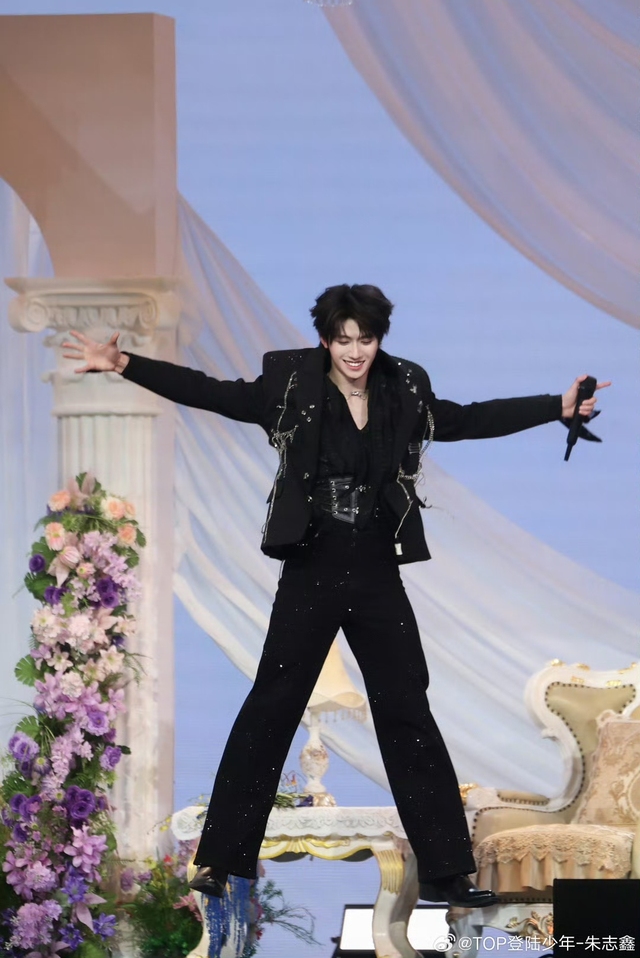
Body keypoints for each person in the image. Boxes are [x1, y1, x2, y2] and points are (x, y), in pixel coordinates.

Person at [62, 283, 609, 908]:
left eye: (365, 340)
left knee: (406, 707)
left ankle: (446, 874)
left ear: (379, 340)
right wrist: (124, 363)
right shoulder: (289, 382)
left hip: (376, 567)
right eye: (343, 339)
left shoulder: (404, 386)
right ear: (325, 339)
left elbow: (465, 419)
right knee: (273, 703)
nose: (354, 352)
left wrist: (557, 406)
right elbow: (212, 392)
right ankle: (220, 860)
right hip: (312, 564)